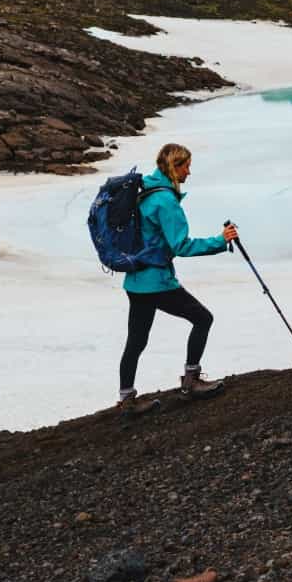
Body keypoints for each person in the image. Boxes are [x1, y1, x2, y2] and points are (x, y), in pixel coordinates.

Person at [118, 142, 237, 410]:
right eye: (186, 166)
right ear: (175, 167)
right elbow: (181, 245)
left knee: (136, 341)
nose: (189, 172)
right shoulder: (165, 201)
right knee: (203, 318)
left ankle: (126, 399)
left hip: (135, 279)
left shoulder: (145, 190)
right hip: (156, 281)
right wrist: (220, 241)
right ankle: (191, 381)